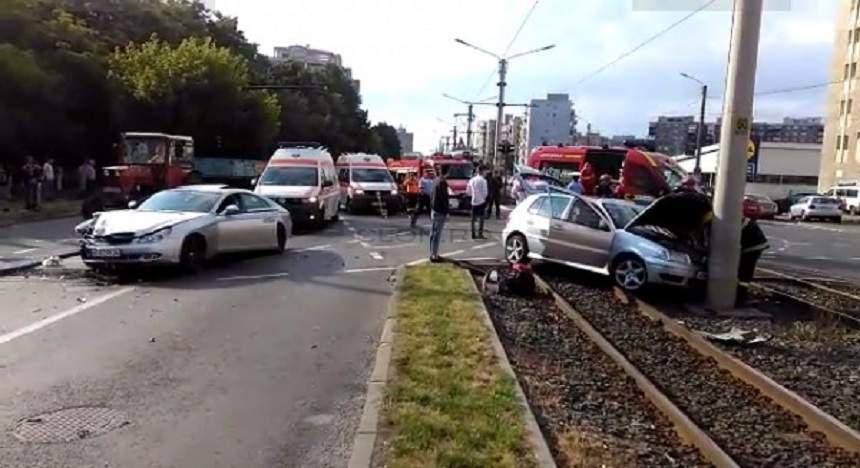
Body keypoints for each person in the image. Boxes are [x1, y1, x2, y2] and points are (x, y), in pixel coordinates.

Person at [737, 217, 769, 306]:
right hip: (755, 243)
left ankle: (740, 298)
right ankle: (740, 296)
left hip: (752, 245)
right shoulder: (731, 215)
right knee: (744, 272)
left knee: (744, 273)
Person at [428, 166, 450, 262]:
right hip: (440, 210)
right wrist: (447, 211)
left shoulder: (435, 181)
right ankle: (434, 255)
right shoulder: (443, 183)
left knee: (433, 233)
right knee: (437, 234)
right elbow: (444, 198)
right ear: (447, 173)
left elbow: (432, 195)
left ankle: (432, 253)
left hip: (434, 209)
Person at [467, 165, 488, 239]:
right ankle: (480, 233)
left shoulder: (472, 180)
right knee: (481, 219)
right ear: (482, 172)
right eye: (485, 171)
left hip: (473, 201)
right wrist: (483, 198)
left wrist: (472, 196)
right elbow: (485, 192)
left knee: (473, 219)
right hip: (481, 201)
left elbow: (468, 191)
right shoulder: (483, 180)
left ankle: (473, 233)